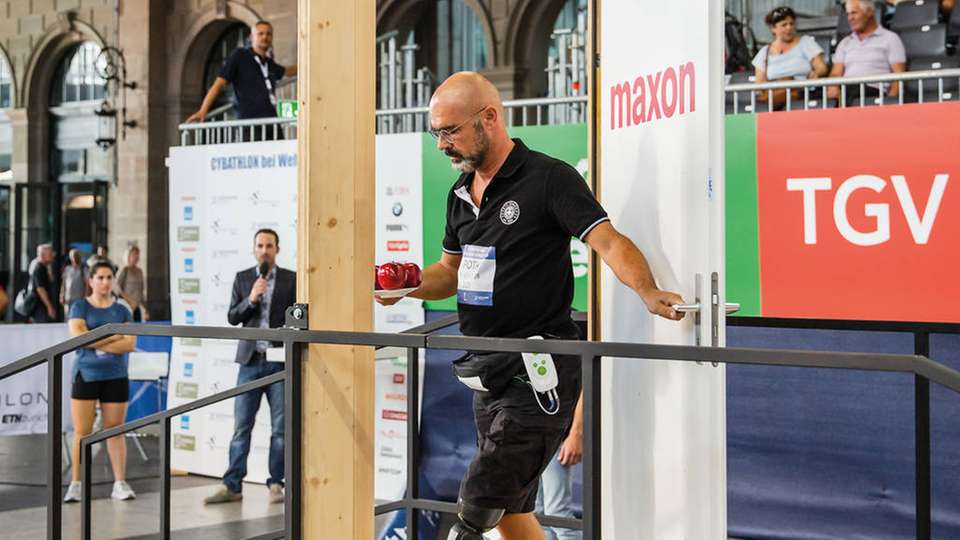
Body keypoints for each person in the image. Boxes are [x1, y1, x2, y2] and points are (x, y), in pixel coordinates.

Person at [378, 72, 684, 540]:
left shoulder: (548, 178)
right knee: (513, 511)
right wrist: (409, 285)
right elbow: (451, 272)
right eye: (435, 133)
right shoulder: (459, 194)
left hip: (541, 369)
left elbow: (608, 241)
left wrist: (648, 291)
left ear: (489, 118)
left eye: (450, 131)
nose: (442, 145)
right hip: (487, 369)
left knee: (479, 504)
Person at [204, 229, 296, 505]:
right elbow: (233, 317)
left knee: (281, 429)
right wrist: (252, 299)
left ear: (277, 249)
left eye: (269, 245)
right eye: (260, 245)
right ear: (253, 249)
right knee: (241, 427)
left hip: (280, 363)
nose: (264, 250)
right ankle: (232, 486)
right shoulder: (244, 278)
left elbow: (300, 317)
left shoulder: (292, 279)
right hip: (250, 362)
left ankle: (276, 484)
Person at [62, 261, 137, 503]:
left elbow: (130, 344)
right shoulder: (80, 307)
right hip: (86, 374)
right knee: (82, 432)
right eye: (100, 278)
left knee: (115, 431)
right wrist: (112, 334)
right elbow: (79, 339)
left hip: (115, 375)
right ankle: (76, 484)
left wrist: (95, 337)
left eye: (109, 278)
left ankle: (120, 483)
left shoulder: (122, 310)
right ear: (91, 281)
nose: (105, 282)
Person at [186, 20, 297, 131]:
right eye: (260, 33)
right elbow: (218, 84)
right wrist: (203, 110)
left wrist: (309, 64)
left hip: (272, 122)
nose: (265, 37)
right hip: (250, 123)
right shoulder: (240, 56)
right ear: (251, 37)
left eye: (268, 34)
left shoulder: (268, 63)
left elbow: (286, 71)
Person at [828, 0, 906, 102]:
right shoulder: (845, 43)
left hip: (874, 93)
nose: (850, 18)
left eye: (854, 13)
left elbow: (899, 77)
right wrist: (833, 86)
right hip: (848, 92)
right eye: (848, 14)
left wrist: (889, 103)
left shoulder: (890, 39)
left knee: (853, 91)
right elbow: (835, 73)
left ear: (869, 12)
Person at [753, 6, 828, 109]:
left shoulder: (805, 42)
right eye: (784, 25)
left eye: (791, 24)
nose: (789, 28)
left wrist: (815, 73)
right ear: (773, 28)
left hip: (802, 94)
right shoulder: (764, 52)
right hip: (775, 95)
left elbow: (822, 67)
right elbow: (759, 84)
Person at [535, 404, 582, 540]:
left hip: (557, 435)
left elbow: (584, 392)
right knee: (537, 515)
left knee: (557, 514)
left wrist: (576, 434)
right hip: (532, 436)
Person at [115, 245, 149, 322]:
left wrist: (146, 308)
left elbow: (141, 291)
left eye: (138, 254)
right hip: (126, 306)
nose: (136, 256)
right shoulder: (124, 270)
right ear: (128, 255)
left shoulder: (140, 271)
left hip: (136, 307)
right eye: (134, 254)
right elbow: (118, 288)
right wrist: (130, 302)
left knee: (137, 330)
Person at [28, 244, 59, 323]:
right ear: (43, 255)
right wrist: (50, 307)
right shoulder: (39, 268)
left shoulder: (44, 267)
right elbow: (40, 289)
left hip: (42, 308)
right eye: (50, 254)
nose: (53, 255)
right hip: (40, 309)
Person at [61, 249, 87, 314]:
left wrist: (86, 297)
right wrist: (61, 295)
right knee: (67, 316)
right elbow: (64, 283)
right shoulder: (67, 268)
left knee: (78, 315)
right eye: (73, 256)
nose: (74, 258)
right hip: (68, 298)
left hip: (79, 298)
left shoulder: (83, 269)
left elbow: (87, 284)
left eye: (76, 256)